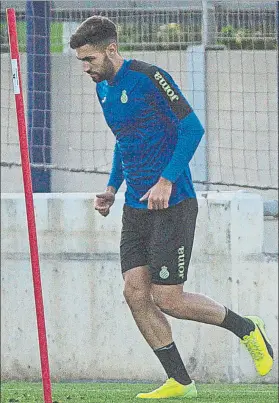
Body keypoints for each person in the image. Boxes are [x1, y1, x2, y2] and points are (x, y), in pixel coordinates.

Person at [70, 16, 273, 399]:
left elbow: (192, 128)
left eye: (90, 59)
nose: (86, 68)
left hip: (173, 203)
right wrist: (113, 188)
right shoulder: (103, 90)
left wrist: (166, 180)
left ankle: (247, 328)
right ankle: (180, 380)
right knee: (134, 293)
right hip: (135, 207)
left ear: (111, 49)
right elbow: (124, 141)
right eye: (82, 61)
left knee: (169, 300)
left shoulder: (150, 77)